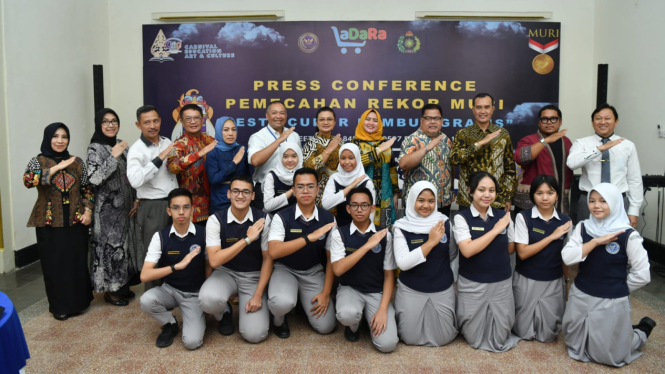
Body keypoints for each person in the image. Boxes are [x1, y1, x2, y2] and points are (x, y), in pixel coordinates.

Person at [561, 183, 655, 367]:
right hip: (581, 293)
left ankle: (641, 331)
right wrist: (595, 242)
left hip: (611, 300)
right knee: (573, 342)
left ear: (615, 203)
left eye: (603, 201)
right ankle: (623, 330)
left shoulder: (628, 235)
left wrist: (619, 288)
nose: (597, 206)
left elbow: (643, 274)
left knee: (610, 355)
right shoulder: (583, 227)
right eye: (592, 201)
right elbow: (567, 257)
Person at [24, 123, 94, 320]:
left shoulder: (78, 162)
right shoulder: (38, 161)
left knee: (76, 263)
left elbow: (87, 189)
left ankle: (80, 302)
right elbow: (28, 181)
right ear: (48, 138)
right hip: (49, 223)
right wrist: (56, 168)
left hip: (76, 222)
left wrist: (88, 210)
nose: (60, 141)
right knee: (54, 265)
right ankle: (60, 307)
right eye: (55, 136)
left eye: (64, 136)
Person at [198, 175, 272, 343]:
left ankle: (252, 304)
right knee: (207, 300)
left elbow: (268, 259)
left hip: (253, 276)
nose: (240, 196)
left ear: (253, 196)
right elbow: (215, 261)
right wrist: (247, 239)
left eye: (246, 192)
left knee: (255, 335)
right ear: (228, 194)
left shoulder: (264, 219)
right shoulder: (215, 220)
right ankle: (225, 311)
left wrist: (258, 295)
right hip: (225, 273)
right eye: (236, 191)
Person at [453, 171, 520, 352]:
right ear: (471, 192)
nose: (487, 195)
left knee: (502, 334)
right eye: (481, 190)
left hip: (501, 281)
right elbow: (467, 250)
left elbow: (511, 249)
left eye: (491, 190)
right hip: (473, 282)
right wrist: (496, 230)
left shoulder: (504, 217)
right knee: (473, 336)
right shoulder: (461, 217)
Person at [267, 168, 337, 338]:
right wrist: (308, 238)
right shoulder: (281, 216)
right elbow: (274, 252)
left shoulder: (328, 219)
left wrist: (326, 293)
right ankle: (278, 319)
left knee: (326, 326)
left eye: (310, 186)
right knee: (281, 303)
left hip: (313, 271)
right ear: (294, 190)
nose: (305, 191)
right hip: (285, 269)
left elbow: (330, 260)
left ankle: (303, 305)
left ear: (317, 190)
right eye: (300, 187)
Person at [139, 188, 209, 349]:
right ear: (169, 211)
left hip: (194, 293)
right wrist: (176, 267)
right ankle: (170, 323)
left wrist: (206, 294)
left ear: (192, 209)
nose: (181, 212)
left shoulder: (203, 233)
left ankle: (201, 314)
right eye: (176, 208)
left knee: (192, 342)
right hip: (169, 290)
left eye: (186, 207)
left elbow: (209, 265)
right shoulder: (160, 237)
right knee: (147, 299)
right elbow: (145, 275)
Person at [330, 187, 398, 352]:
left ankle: (371, 319)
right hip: (350, 289)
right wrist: (367, 245)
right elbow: (338, 270)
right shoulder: (340, 233)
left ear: (372, 208)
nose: (359, 210)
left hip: (376, 292)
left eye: (364, 205)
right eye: (354, 205)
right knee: (347, 314)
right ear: (348, 208)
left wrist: (383, 309)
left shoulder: (384, 235)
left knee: (387, 345)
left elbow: (389, 275)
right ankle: (353, 326)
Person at [87, 108, 143, 307]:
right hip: (108, 213)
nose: (111, 125)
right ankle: (111, 292)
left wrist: (137, 200)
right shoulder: (95, 148)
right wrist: (113, 157)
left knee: (124, 249)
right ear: (99, 125)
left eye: (114, 121)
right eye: (105, 121)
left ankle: (122, 287)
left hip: (127, 208)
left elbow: (131, 176)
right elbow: (93, 178)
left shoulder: (123, 146)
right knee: (111, 249)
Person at [393, 181, 458, 346]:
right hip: (411, 287)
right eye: (421, 200)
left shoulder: (444, 223)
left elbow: (451, 254)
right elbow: (403, 262)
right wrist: (430, 243)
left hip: (441, 286)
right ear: (412, 200)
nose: (426, 205)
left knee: (444, 337)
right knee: (409, 337)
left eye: (431, 201)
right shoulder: (401, 227)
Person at [513, 174, 571, 342]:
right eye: (539, 193)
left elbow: (566, 257)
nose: (545, 198)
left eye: (550, 193)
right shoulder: (523, 217)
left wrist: (566, 281)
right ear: (532, 195)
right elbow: (522, 253)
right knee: (523, 332)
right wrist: (552, 236)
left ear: (557, 195)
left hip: (552, 280)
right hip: (526, 279)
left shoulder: (566, 221)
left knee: (548, 336)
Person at [127, 105, 179, 291]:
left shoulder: (167, 142)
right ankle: (154, 299)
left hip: (174, 204)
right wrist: (159, 158)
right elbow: (135, 180)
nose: (152, 125)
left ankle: (173, 292)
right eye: (146, 122)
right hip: (153, 207)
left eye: (155, 121)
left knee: (174, 251)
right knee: (154, 254)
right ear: (138, 125)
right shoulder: (137, 150)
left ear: (160, 121)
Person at [566, 104, 643, 228]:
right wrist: (598, 150)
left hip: (619, 201)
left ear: (616, 121)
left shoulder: (627, 145)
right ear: (592, 122)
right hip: (589, 202)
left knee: (618, 243)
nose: (603, 122)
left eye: (607, 118)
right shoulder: (582, 143)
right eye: (598, 118)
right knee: (587, 241)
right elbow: (572, 163)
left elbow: (634, 179)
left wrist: (634, 210)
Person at [451, 93, 516, 212]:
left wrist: (508, 197)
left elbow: (510, 168)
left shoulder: (503, 134)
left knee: (497, 230)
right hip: (468, 199)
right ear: (473, 110)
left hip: (496, 199)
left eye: (486, 107)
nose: (483, 111)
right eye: (479, 107)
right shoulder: (463, 134)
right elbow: (455, 159)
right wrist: (479, 144)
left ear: (492, 109)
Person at [513, 105, 573, 214]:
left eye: (553, 119)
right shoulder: (529, 140)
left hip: (558, 203)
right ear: (539, 122)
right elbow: (520, 158)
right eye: (544, 119)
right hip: (529, 204)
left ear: (560, 122)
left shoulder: (566, 142)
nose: (549, 122)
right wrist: (546, 140)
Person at [398, 104, 454, 217]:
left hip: (443, 202)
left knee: (441, 234)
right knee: (417, 234)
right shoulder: (412, 139)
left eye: (436, 118)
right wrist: (426, 148)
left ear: (442, 121)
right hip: (418, 204)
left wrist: (451, 190)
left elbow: (450, 166)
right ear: (421, 121)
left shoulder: (446, 139)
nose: (433, 122)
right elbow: (403, 164)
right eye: (428, 118)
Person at [167, 104, 217, 226]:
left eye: (196, 118)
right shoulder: (178, 144)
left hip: (213, 204)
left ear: (202, 119)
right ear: (182, 122)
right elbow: (172, 167)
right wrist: (198, 154)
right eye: (188, 118)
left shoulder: (210, 141)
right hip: (189, 209)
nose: (193, 122)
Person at [248, 101, 301, 210]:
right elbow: (255, 161)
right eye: (274, 113)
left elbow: (299, 163)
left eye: (282, 113)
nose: (278, 116)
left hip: (292, 189)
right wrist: (279, 141)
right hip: (265, 190)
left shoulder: (294, 135)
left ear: (286, 116)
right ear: (267, 116)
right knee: (265, 225)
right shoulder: (258, 136)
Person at [353, 109, 398, 229]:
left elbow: (392, 170)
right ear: (362, 121)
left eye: (375, 120)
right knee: (362, 231)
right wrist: (378, 151)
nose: (371, 123)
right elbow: (354, 165)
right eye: (367, 119)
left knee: (384, 234)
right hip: (362, 194)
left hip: (385, 195)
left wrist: (395, 194)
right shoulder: (354, 144)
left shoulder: (385, 143)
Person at [321, 144, 376, 228]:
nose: (347, 162)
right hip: (339, 229)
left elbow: (371, 212)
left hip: (362, 229)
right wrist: (350, 187)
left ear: (357, 158)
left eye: (351, 158)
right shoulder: (334, 178)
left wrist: (368, 232)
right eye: (343, 158)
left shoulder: (366, 181)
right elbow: (326, 205)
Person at [302, 107, 343, 206]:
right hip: (317, 196)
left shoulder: (340, 143)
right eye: (322, 119)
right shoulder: (311, 143)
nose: (326, 122)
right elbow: (308, 168)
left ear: (334, 122)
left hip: (337, 194)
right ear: (316, 123)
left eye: (329, 119)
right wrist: (328, 150)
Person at [205, 116, 247, 213]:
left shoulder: (242, 150)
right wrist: (234, 163)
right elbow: (214, 179)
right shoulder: (213, 152)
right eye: (226, 130)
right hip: (220, 201)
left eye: (233, 129)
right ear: (219, 131)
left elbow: (247, 176)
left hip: (241, 200)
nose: (230, 133)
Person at [263, 144, 302, 215]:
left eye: (294, 156)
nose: (290, 160)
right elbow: (268, 206)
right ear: (280, 157)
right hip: (274, 218)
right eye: (285, 156)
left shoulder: (304, 174)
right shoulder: (272, 175)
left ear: (299, 157)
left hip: (299, 219)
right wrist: (291, 192)